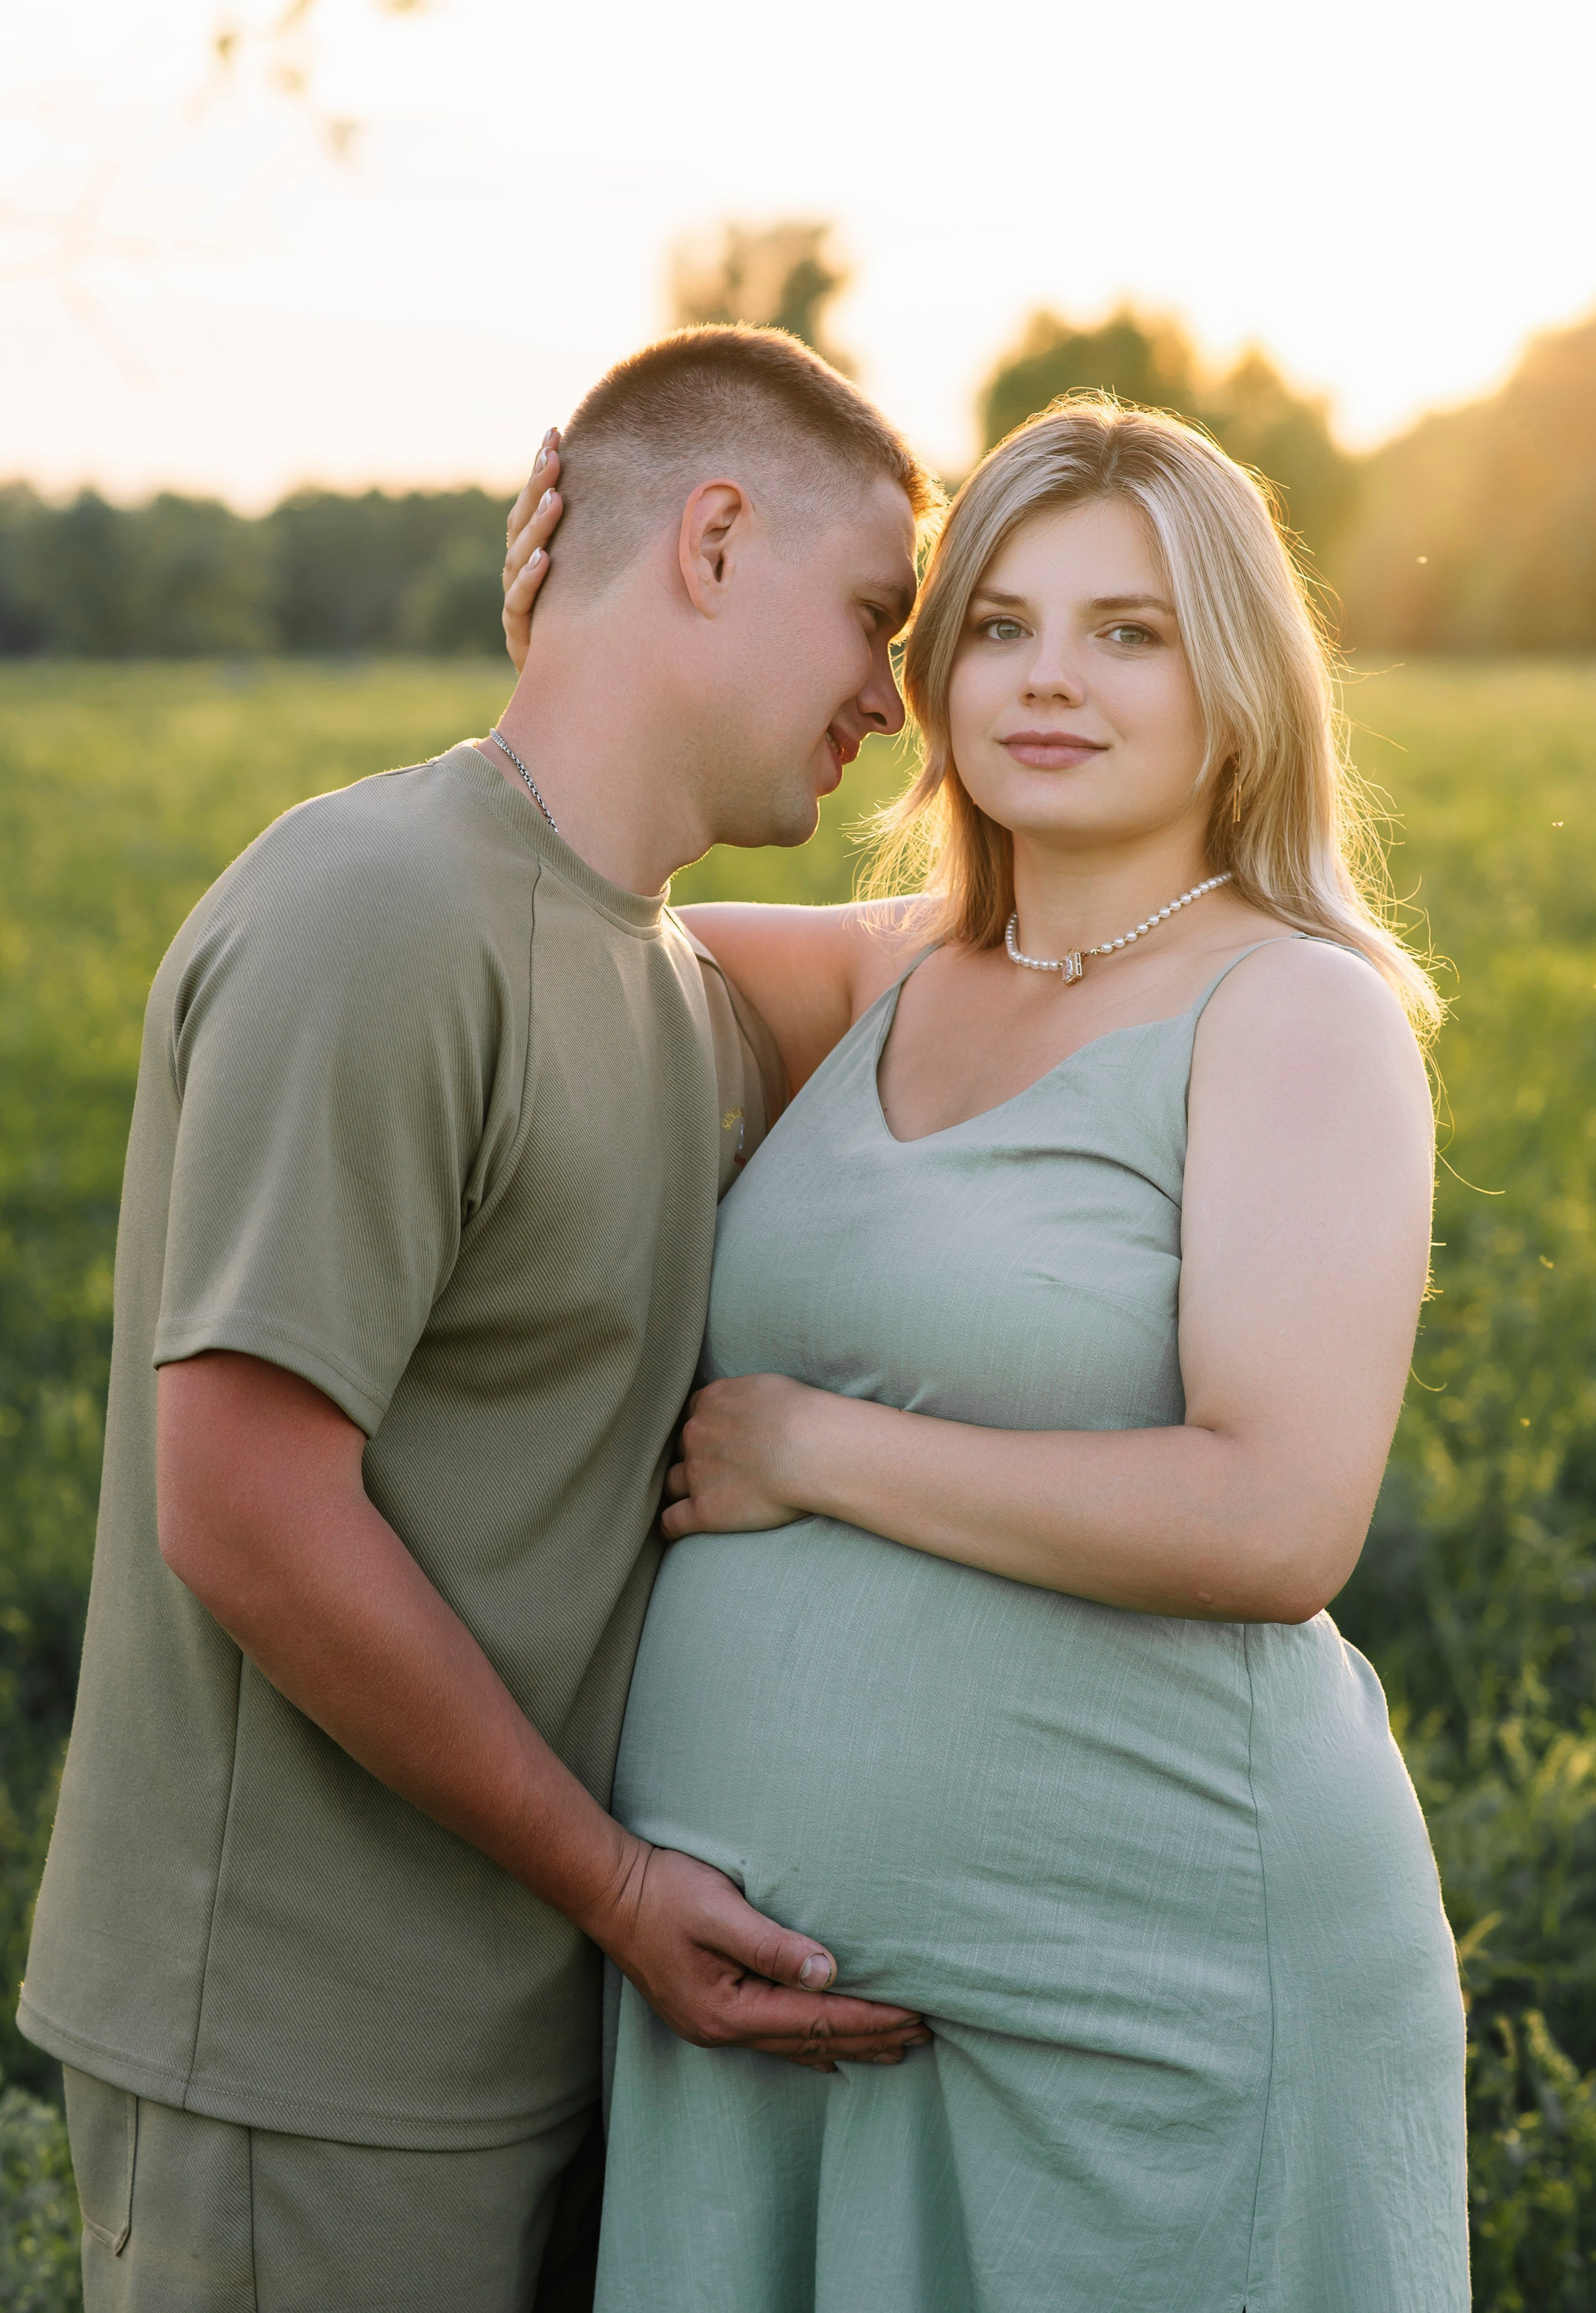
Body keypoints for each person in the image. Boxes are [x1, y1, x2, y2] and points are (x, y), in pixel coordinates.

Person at [503, 397, 1469, 2310]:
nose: (1050, 679)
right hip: (766, 2025)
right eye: (1001, 625)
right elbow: (534, 909)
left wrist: (810, 1451)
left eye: (1132, 631)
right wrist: (581, 644)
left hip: (1149, 2006)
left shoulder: (1294, 1011)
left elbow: (1277, 1517)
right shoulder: (868, 975)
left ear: (1243, 681)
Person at [18, 325, 943, 2312]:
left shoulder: (666, 984)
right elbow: (247, 1507)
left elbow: (969, 948)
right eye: (877, 614)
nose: (897, 696)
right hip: (302, 2060)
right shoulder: (376, 911)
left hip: (534, 2036)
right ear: (710, 538)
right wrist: (615, 1887)